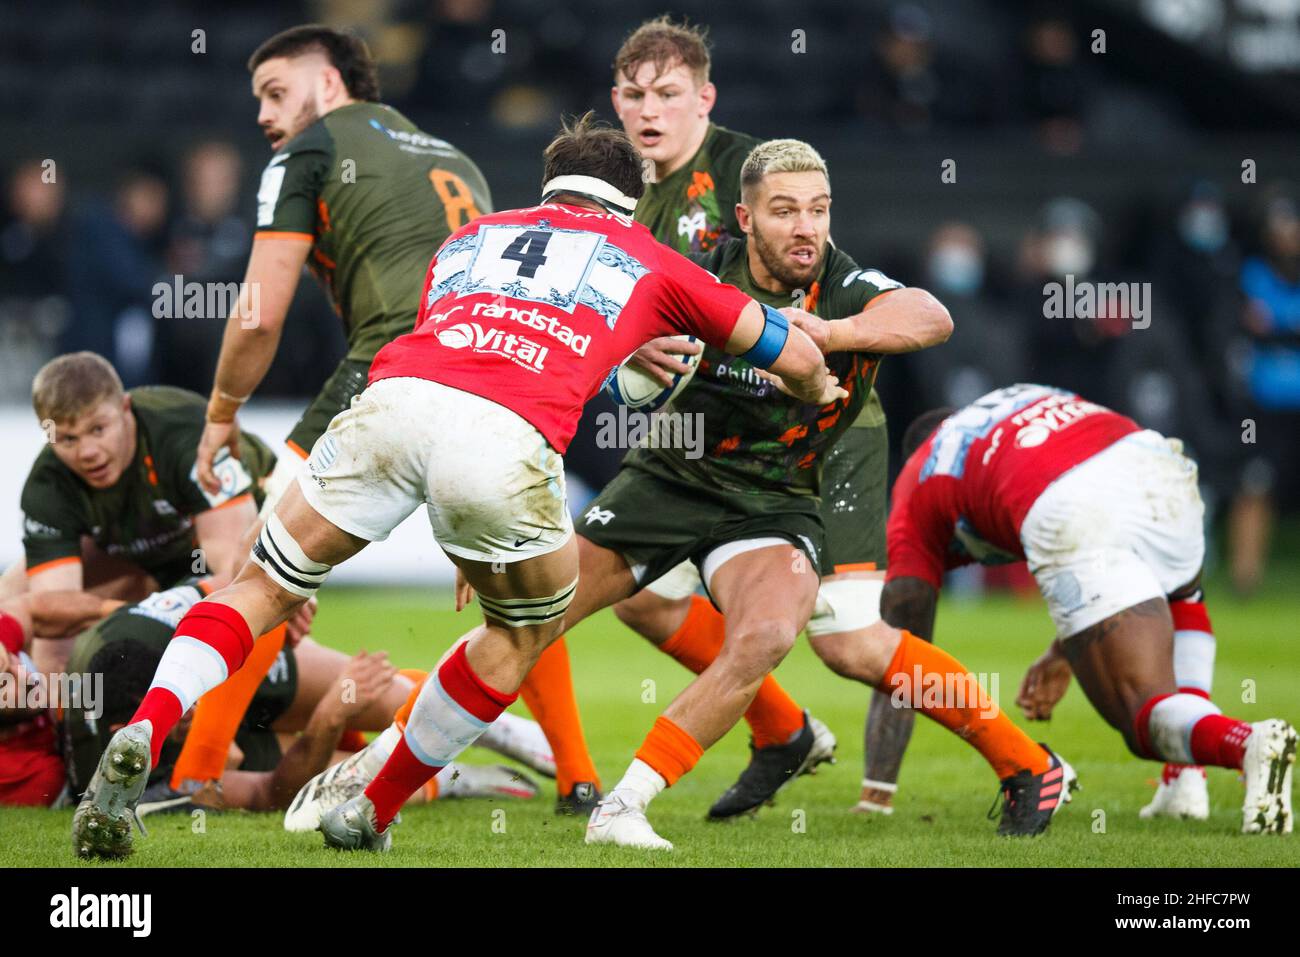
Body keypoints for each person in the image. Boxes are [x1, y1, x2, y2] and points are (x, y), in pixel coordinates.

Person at [69, 112, 839, 859]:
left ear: (549, 189)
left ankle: (146, 721)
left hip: (392, 403)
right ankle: (373, 807)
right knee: (520, 635)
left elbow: (490, 332)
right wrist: (818, 388)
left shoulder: (469, 237)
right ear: (631, 198)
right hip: (505, 440)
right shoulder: (652, 257)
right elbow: (791, 357)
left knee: (259, 585)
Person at [602, 14, 905, 818]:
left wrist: (833, 338)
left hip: (826, 425)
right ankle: (783, 731)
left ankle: (1023, 760)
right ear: (616, 101)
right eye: (634, 95)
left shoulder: (747, 169)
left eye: (667, 93)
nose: (648, 111)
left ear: (705, 100)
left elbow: (826, 270)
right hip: (727, 422)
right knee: (634, 594)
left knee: (847, 642)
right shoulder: (625, 193)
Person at [862, 384, 1295, 833]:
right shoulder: (1016, 398)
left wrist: (876, 792)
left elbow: (901, 656)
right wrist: (1066, 646)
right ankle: (1184, 784)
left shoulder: (918, 475)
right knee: (1181, 593)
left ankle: (1246, 743)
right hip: (1153, 458)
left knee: (1139, 714)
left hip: (1069, 502)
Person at [5, 352, 275, 604]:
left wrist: (271, 587)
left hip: (250, 511)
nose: (87, 452)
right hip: (144, 548)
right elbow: (53, 607)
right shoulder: (47, 481)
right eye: (67, 439)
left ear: (125, 408)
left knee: (255, 602)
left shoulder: (184, 434)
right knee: (13, 595)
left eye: (98, 429)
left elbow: (236, 574)